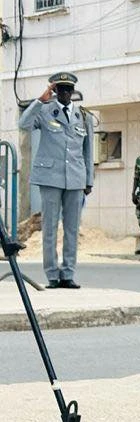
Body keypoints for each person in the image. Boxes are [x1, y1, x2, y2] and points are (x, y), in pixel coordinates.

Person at [18, 72, 94, 289]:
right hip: (50, 178)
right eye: (60, 89)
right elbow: (24, 124)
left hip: (76, 179)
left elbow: (88, 151)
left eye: (68, 89)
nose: (65, 93)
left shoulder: (84, 117)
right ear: (55, 91)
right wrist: (40, 100)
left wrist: (88, 180)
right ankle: (52, 274)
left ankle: (68, 274)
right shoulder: (44, 111)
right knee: (50, 228)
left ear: (73, 92)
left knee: (71, 228)